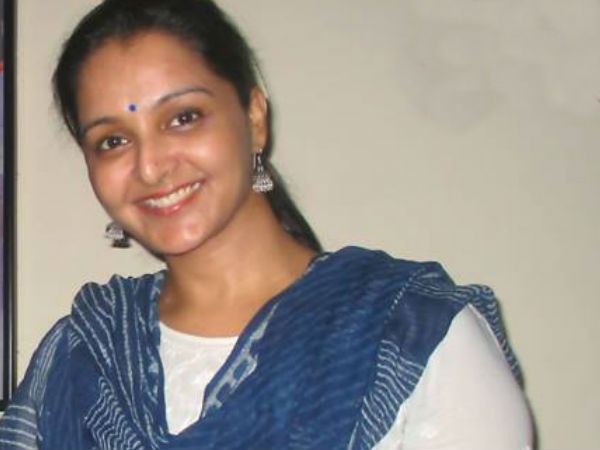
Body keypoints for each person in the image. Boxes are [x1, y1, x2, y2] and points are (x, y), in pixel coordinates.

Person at [0, 0, 533, 449]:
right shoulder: (80, 358)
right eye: (112, 140)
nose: (151, 166)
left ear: (254, 118)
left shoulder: (407, 335)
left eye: (182, 117)